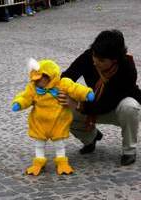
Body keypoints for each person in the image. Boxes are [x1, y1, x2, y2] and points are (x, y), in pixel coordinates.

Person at [59, 29, 141, 166]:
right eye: (95, 57)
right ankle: (91, 138)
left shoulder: (127, 67)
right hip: (94, 102)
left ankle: (129, 150)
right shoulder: (90, 56)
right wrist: (68, 89)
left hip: (117, 108)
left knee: (130, 107)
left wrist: (78, 105)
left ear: (114, 60)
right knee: (63, 109)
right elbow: (67, 76)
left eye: (101, 60)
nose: (96, 62)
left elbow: (107, 103)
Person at [11, 58, 95, 175]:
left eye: (38, 79)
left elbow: (75, 88)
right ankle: (39, 161)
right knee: (39, 143)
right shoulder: (33, 88)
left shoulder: (63, 83)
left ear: (48, 77)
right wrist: (19, 103)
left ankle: (62, 162)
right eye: (34, 80)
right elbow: (25, 97)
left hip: (58, 121)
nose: (36, 82)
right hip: (39, 122)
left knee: (59, 143)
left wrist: (86, 93)